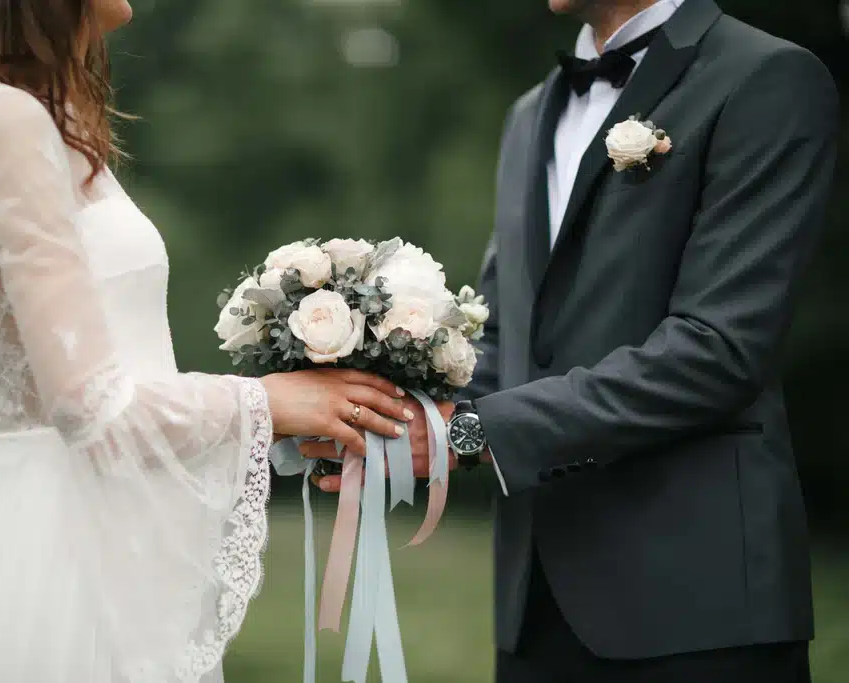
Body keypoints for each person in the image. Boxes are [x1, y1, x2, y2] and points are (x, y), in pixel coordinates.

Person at [0, 1, 416, 681]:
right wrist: (268, 403)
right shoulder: (3, 119)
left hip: (97, 537)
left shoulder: (11, 114)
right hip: (63, 567)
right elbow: (90, 408)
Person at [310, 1, 838, 681]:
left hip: (698, 608)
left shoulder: (768, 78)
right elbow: (505, 336)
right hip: (534, 605)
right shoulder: (531, 112)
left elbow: (718, 348)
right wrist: (379, 422)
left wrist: (469, 433)